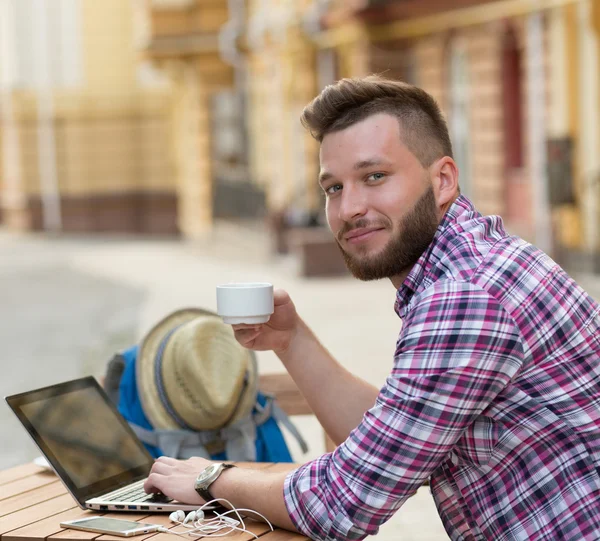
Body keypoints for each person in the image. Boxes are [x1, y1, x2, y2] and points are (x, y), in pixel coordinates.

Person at [143, 76, 600, 540]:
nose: (349, 208)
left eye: (374, 177)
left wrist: (210, 480)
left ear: (442, 180)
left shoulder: (464, 296)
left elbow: (343, 505)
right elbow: (393, 443)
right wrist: (291, 338)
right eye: (333, 188)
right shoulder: (471, 263)